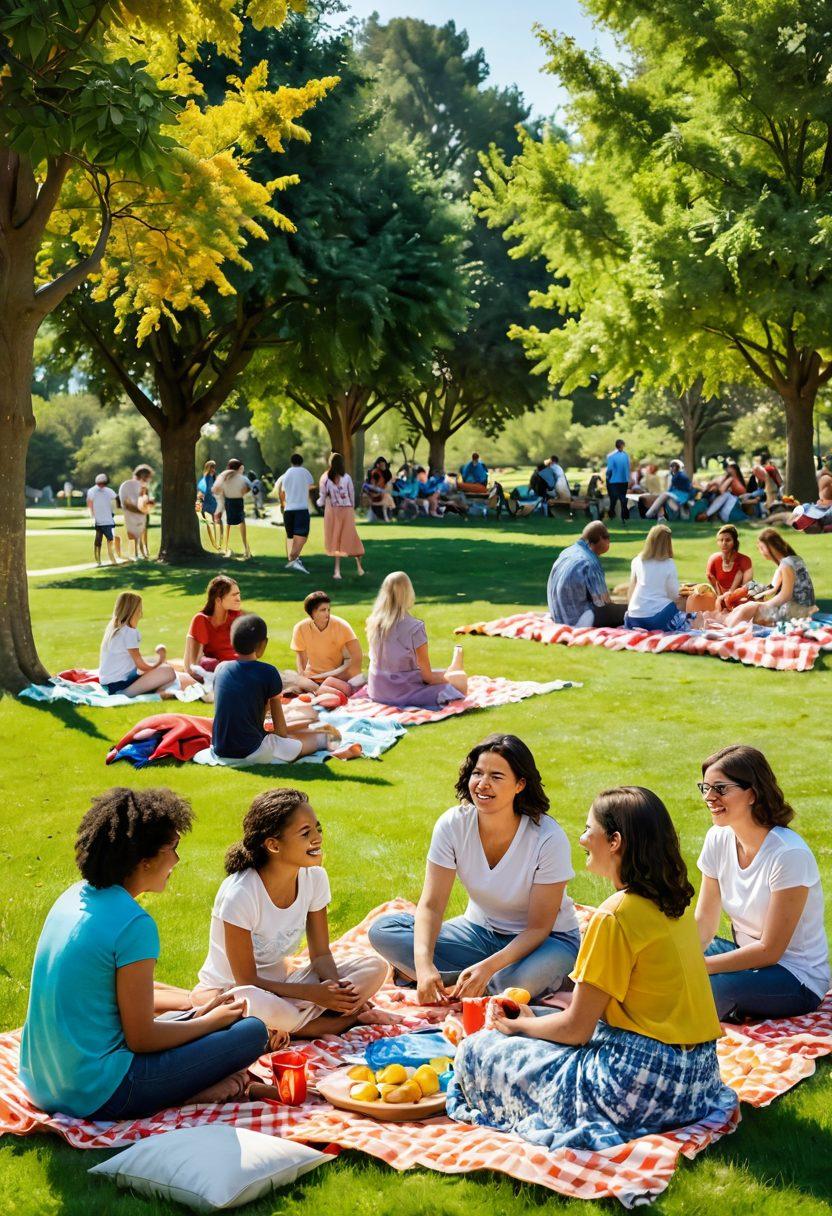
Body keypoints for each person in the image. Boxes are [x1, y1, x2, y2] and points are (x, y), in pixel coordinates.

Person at [445, 786, 736, 1153]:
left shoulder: (614, 916)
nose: (582, 839)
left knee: (477, 1050)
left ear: (615, 841)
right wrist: (537, 1019)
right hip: (697, 1082)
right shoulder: (671, 903)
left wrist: (517, 1027)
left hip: (640, 1086)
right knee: (534, 1039)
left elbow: (576, 1030)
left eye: (588, 829)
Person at [18, 788, 269, 1119]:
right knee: (251, 1032)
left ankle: (190, 1075)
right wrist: (208, 1023)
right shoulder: (133, 925)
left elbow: (116, 996)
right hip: (100, 1094)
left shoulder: (73, 897)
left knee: (205, 1019)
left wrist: (195, 1007)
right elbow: (142, 1038)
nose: (177, 860)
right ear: (144, 859)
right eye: (173, 849)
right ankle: (186, 1094)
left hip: (42, 1082)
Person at [369, 735, 579, 1003]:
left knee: (516, 983)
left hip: (548, 940)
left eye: (496, 776)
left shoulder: (548, 838)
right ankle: (469, 982)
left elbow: (539, 928)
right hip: (480, 932)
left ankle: (486, 981)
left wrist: (488, 967)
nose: (483, 783)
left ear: (520, 785)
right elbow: (432, 905)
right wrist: (423, 967)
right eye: (477, 773)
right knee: (384, 930)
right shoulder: (453, 825)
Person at [192, 789, 388, 1038]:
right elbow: (247, 981)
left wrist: (334, 989)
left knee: (375, 966)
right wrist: (313, 995)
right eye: (306, 833)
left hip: (287, 985)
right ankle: (325, 1024)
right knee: (248, 1001)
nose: (317, 838)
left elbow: (320, 955)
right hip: (234, 991)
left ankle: (287, 1026)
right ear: (273, 845)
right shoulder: (240, 895)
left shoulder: (314, 878)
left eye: (318, 829)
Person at [695, 744, 829, 1021]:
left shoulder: (788, 854)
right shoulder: (717, 838)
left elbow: (771, 950)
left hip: (795, 977)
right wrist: (686, 956)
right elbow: (705, 922)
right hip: (745, 956)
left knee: (709, 987)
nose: (709, 797)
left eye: (720, 789)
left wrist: (699, 967)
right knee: (659, 955)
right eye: (705, 788)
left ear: (752, 794)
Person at [212, 613, 357, 764]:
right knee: (322, 738)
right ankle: (325, 740)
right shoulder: (267, 672)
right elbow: (280, 733)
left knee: (283, 736)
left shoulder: (220, 669)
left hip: (219, 749)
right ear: (263, 644)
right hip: (250, 753)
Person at [366, 571, 467, 708]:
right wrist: (446, 677)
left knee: (445, 673)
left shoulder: (373, 623)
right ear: (408, 592)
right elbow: (427, 678)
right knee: (459, 682)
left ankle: (453, 667)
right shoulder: (415, 628)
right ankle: (455, 666)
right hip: (403, 692)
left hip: (377, 690)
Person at [722, 527, 816, 626]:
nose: (761, 552)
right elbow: (771, 588)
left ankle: (727, 630)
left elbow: (785, 596)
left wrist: (762, 605)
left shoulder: (786, 564)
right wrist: (751, 596)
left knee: (747, 610)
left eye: (762, 548)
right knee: (748, 606)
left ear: (770, 546)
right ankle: (726, 626)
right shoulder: (792, 560)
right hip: (801, 610)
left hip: (796, 614)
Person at [546, 521, 626, 627]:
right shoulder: (589, 561)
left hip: (557, 616)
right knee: (629, 611)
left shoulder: (566, 552)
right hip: (580, 619)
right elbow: (602, 602)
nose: (609, 541)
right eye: (607, 537)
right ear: (599, 538)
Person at [99, 592, 177, 696]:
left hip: (108, 684)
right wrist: (160, 659)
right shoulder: (129, 632)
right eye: (139, 609)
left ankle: (152, 690)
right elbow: (141, 665)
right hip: (119, 686)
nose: (141, 614)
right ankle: (126, 694)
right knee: (168, 671)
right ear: (134, 611)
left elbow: (136, 662)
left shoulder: (114, 628)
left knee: (158, 666)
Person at [291, 590, 362, 697]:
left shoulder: (342, 626)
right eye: (323, 610)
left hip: (337, 678)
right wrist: (303, 677)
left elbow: (353, 659)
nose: (327, 613)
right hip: (312, 679)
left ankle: (320, 691)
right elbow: (301, 659)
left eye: (328, 609)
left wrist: (337, 677)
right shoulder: (300, 628)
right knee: (292, 685)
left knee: (345, 689)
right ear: (312, 612)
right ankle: (318, 691)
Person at [624, 524, 688, 632]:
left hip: (633, 617)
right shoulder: (668, 564)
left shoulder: (637, 560)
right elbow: (674, 595)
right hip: (654, 619)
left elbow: (632, 590)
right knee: (684, 602)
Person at [184, 575, 242, 681]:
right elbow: (193, 666)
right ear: (218, 600)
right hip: (217, 673)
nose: (238, 599)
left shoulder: (237, 617)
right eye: (234, 595)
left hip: (238, 669)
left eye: (238, 594)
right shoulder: (202, 620)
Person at [318, 452, 364, 579]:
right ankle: (359, 567)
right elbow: (351, 494)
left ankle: (337, 571)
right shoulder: (347, 477)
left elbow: (322, 498)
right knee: (352, 537)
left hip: (333, 511)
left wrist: (318, 503)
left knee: (337, 539)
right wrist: (352, 509)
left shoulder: (325, 478)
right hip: (347, 510)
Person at [276, 453, 314, 572]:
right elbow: (310, 485)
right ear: (301, 461)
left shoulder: (286, 474)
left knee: (291, 536)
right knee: (303, 534)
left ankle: (292, 560)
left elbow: (282, 492)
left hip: (289, 510)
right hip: (301, 509)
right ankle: (294, 557)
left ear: (291, 462)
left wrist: (282, 505)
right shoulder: (305, 472)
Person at [706, 525, 753, 610]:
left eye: (728, 540)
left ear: (734, 542)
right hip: (721, 600)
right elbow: (713, 581)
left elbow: (746, 588)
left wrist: (730, 595)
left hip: (740, 602)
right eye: (721, 540)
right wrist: (720, 597)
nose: (724, 543)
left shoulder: (745, 560)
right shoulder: (714, 560)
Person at [213, 458, 251, 559]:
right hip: (236, 501)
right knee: (239, 523)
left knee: (229, 524)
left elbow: (216, 489)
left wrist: (223, 491)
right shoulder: (236, 477)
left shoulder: (225, 476)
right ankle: (245, 550)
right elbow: (248, 487)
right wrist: (241, 492)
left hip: (230, 501)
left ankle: (229, 549)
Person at [118, 464, 154, 560]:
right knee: (133, 534)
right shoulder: (128, 485)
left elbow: (144, 499)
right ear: (143, 476)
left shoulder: (143, 487)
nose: (149, 479)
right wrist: (140, 511)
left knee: (142, 532)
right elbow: (127, 503)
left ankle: (143, 552)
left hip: (142, 513)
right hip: (132, 514)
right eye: (148, 477)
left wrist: (147, 503)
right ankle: (136, 554)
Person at [86, 473, 123, 566]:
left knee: (110, 539)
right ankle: (98, 560)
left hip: (108, 520)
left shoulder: (108, 491)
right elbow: (89, 505)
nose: (103, 485)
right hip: (99, 521)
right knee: (98, 540)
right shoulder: (92, 491)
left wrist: (115, 510)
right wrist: (92, 516)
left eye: (104, 483)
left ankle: (112, 559)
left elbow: (116, 499)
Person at [196, 460, 221, 551]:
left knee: (217, 522)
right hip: (206, 503)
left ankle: (219, 541)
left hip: (215, 502)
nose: (213, 469)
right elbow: (201, 491)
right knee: (209, 523)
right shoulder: (204, 480)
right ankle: (214, 543)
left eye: (214, 467)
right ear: (207, 468)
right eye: (211, 467)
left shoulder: (215, 478)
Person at [605, 439, 630, 522]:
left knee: (613, 499)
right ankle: (624, 517)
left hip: (613, 481)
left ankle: (612, 515)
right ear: (622, 445)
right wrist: (628, 479)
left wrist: (607, 479)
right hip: (624, 481)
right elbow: (628, 468)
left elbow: (609, 469)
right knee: (623, 498)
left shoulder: (611, 456)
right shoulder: (626, 455)